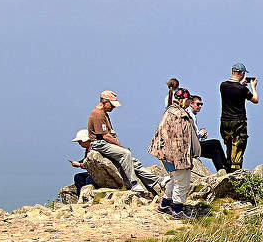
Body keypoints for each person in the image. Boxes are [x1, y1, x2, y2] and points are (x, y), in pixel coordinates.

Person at [87, 90, 161, 194]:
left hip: (106, 143)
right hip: (100, 143)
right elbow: (106, 136)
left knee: (133, 162)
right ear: (104, 102)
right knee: (126, 154)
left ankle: (157, 181)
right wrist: (122, 147)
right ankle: (133, 183)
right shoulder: (97, 114)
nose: (113, 107)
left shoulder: (103, 113)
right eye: (111, 105)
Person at [149, 87, 202, 218]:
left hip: (165, 153)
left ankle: (164, 205)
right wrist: (184, 161)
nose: (189, 102)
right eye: (188, 100)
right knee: (182, 181)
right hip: (177, 155)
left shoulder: (169, 111)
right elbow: (180, 140)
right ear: (183, 100)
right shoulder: (180, 115)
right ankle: (178, 210)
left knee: (173, 179)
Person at [218, 62, 258, 170]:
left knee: (229, 147)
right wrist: (253, 87)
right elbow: (255, 100)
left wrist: (242, 85)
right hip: (238, 122)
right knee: (239, 147)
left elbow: (233, 91)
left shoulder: (223, 86)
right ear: (242, 73)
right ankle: (235, 173)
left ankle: (228, 170)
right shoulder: (242, 89)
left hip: (225, 121)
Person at [189, 95, 230, 172]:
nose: (200, 106)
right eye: (198, 104)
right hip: (192, 146)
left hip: (193, 144)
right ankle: (226, 167)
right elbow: (194, 135)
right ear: (191, 103)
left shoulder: (192, 114)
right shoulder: (190, 115)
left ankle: (222, 169)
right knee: (215, 143)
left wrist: (201, 133)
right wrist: (202, 132)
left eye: (201, 104)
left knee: (214, 151)